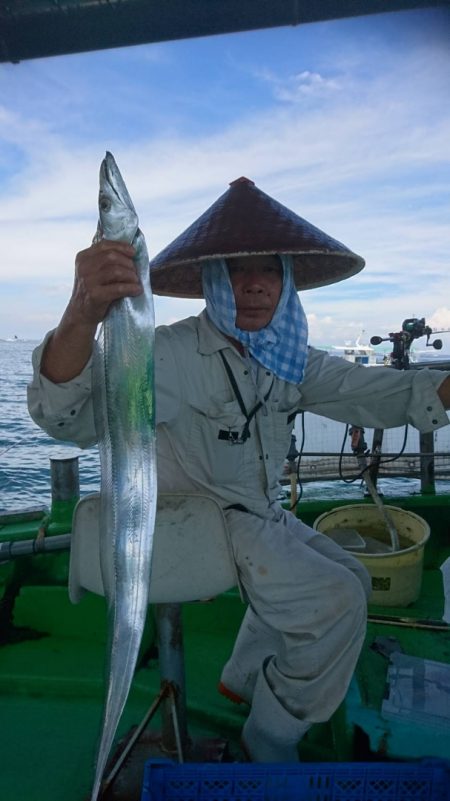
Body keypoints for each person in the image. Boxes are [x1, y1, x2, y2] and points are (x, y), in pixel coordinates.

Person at [28, 176, 450, 762]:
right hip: (194, 519)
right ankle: (269, 740)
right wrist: (82, 314)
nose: (254, 284)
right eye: (235, 269)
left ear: (286, 280)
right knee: (336, 601)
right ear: (212, 281)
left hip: (260, 514)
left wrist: (440, 391)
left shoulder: (285, 353)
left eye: (270, 270)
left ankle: (243, 678)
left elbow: (368, 390)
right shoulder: (166, 353)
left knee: (350, 575)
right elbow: (66, 417)